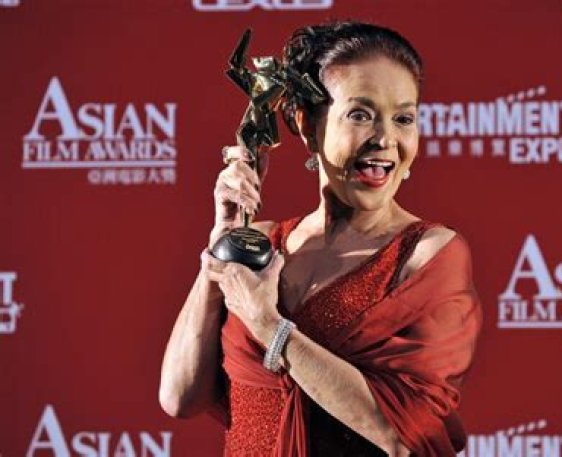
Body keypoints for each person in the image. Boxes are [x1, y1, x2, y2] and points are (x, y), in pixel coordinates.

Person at [159, 21, 481, 457]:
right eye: (360, 114)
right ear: (307, 125)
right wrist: (222, 244)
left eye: (403, 118)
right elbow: (178, 397)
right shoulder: (263, 243)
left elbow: (404, 437)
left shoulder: (427, 255)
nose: (385, 139)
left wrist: (267, 325)